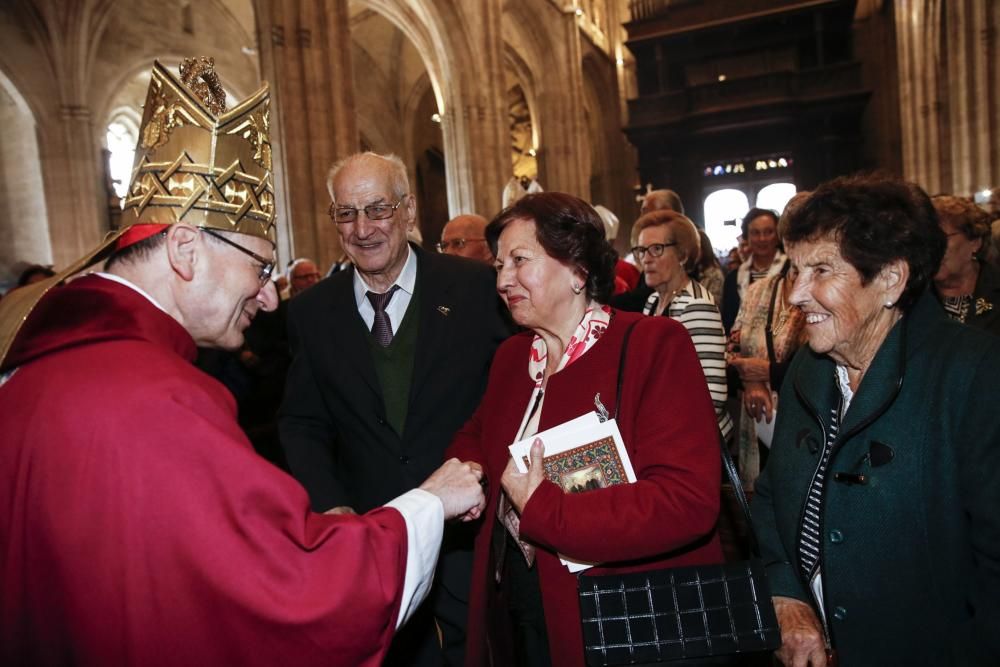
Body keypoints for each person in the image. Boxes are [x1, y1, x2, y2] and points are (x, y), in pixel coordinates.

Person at [0, 59, 486, 667]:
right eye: (259, 266)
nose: (267, 293)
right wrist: (427, 503)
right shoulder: (157, 397)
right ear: (183, 248)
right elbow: (292, 587)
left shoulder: (39, 366)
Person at [446, 192, 723, 667]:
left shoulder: (652, 345)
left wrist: (545, 510)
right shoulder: (514, 358)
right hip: (524, 604)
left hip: (627, 617)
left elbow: (687, 500)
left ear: (577, 270)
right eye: (498, 265)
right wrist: (467, 470)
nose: (502, 279)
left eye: (519, 260)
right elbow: (478, 433)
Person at [751, 174, 1000, 666]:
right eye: (795, 270)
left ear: (891, 277)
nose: (797, 293)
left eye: (821, 270)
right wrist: (788, 595)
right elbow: (772, 496)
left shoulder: (975, 375)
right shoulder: (810, 366)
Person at [280, 151, 512, 666]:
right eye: (346, 213)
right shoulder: (312, 313)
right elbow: (302, 422)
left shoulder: (476, 289)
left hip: (469, 541)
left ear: (408, 212)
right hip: (373, 547)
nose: (362, 228)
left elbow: (516, 394)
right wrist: (330, 503)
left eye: (377, 209)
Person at [726, 193, 811, 488]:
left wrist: (767, 373)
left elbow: (829, 366)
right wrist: (750, 381)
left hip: (809, 421)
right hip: (761, 420)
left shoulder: (833, 292)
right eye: (795, 231)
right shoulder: (759, 289)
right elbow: (732, 346)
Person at [633, 209, 733, 440]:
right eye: (641, 250)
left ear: (682, 255)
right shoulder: (653, 300)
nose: (646, 258)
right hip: (665, 427)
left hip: (694, 436)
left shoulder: (696, 304)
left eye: (656, 249)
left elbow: (712, 397)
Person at [931, 194, 1000, 335]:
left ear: (974, 242)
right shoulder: (912, 298)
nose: (933, 247)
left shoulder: (996, 285)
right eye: (928, 238)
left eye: (942, 238)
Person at [721, 208, 786, 333]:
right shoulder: (733, 278)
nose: (762, 239)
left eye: (769, 232)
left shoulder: (790, 270)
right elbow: (728, 321)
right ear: (747, 236)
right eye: (755, 233)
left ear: (777, 235)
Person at [693, 229, 724, 304]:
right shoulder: (692, 271)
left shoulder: (714, 274)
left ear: (704, 248)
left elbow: (713, 304)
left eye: (695, 248)